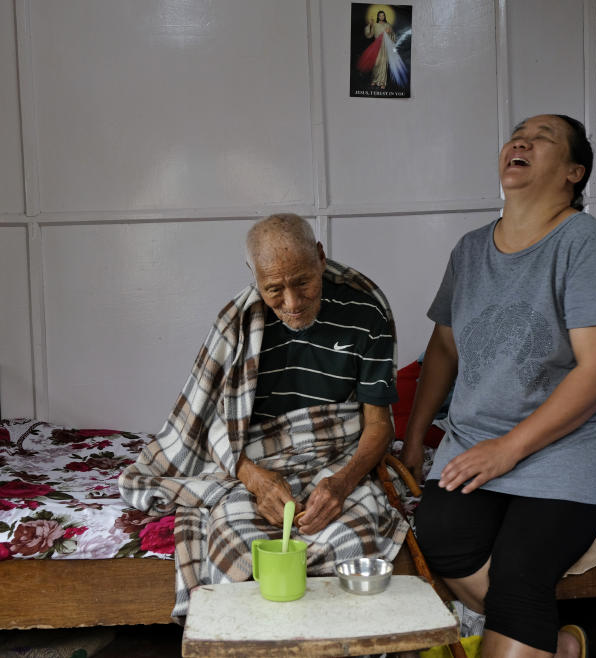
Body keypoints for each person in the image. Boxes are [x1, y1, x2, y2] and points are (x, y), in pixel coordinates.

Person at [400, 115, 596, 658]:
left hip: (573, 444)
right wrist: (417, 436)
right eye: (518, 134)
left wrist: (508, 451)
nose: (522, 141)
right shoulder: (468, 251)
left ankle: (533, 632)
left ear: (574, 173)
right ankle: (557, 647)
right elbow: (443, 348)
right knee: (442, 537)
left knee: (519, 571)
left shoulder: (590, 248)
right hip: (478, 438)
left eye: (544, 138)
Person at [119, 213, 407, 618]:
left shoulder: (366, 314)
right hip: (258, 464)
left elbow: (379, 424)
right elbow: (215, 424)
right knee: (237, 547)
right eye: (274, 289)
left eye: (303, 282)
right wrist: (254, 480)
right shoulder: (239, 324)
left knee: (352, 543)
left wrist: (341, 485)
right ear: (255, 279)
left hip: (338, 460)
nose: (291, 303)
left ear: (320, 258)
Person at [356, 9, 408, 89]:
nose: (381, 17)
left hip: (385, 46)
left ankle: (382, 82)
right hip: (376, 46)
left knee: (383, 64)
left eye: (383, 15)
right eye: (380, 15)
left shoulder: (388, 25)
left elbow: (393, 37)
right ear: (378, 16)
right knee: (376, 63)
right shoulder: (375, 25)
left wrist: (390, 33)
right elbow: (369, 35)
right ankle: (375, 80)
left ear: (384, 16)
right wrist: (370, 25)